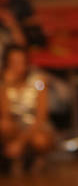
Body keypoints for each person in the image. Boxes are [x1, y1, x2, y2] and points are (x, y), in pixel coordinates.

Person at [0, 45, 54, 176]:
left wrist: (20, 143)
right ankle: (15, 159)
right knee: (4, 126)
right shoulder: (3, 83)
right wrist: (6, 85)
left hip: (36, 126)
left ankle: (36, 158)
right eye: (13, 63)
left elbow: (41, 116)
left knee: (40, 140)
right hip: (15, 126)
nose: (18, 66)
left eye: (21, 62)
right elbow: (5, 115)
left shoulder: (39, 81)